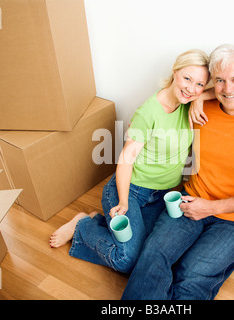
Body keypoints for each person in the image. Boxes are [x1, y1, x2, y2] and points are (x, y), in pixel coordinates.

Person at [121, 44, 234, 299]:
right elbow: (169, 103)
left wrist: (212, 208)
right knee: (152, 256)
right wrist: (201, 98)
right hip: (190, 201)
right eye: (220, 81)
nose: (228, 88)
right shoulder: (200, 108)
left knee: (192, 274)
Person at [49, 49, 210, 273]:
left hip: (160, 195)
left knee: (149, 252)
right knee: (128, 260)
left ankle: (100, 222)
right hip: (131, 189)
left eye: (200, 84)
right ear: (175, 72)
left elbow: (224, 91)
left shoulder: (189, 102)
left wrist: (201, 98)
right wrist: (123, 201)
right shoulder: (148, 113)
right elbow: (126, 159)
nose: (192, 89)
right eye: (187, 79)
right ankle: (82, 227)